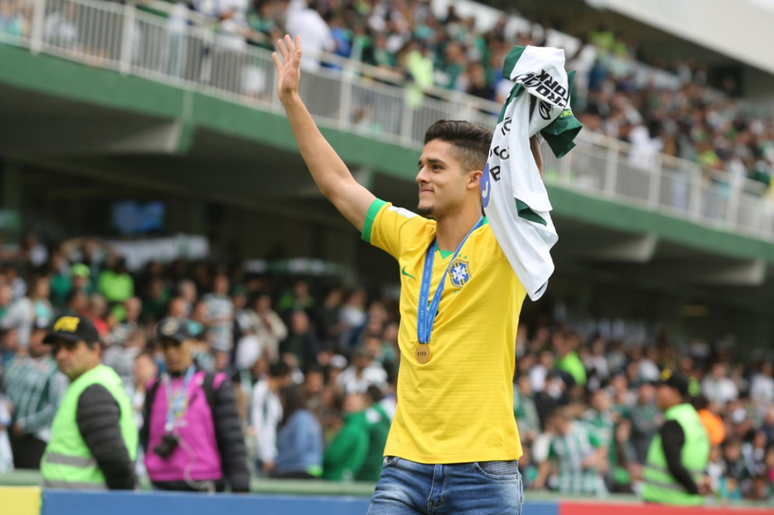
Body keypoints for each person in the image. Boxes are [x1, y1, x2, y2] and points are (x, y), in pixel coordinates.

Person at [273, 35, 541, 513]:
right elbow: (338, 185)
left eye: (436, 167)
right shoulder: (410, 234)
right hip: (405, 466)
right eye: (421, 165)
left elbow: (528, 185)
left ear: (475, 178)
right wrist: (291, 99)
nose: (421, 175)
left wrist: (530, 119)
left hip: (485, 471)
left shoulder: (505, 242)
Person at [141, 317, 249, 492]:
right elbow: (146, 436)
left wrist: (240, 485)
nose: (171, 352)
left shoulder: (213, 384)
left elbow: (231, 439)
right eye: (165, 346)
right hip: (160, 484)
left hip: (204, 484)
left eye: (177, 345)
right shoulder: (154, 387)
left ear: (192, 344)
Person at [40, 314, 137, 490]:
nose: (61, 355)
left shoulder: (93, 390)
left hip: (84, 503)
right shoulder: (91, 383)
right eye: (57, 348)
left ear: (95, 349)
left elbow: (115, 460)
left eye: (71, 347)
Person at [2, 318, 67, 469]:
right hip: (7, 434)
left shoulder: (55, 370)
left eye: (44, 335)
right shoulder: (14, 363)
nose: (39, 339)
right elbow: (3, 391)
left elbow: (55, 408)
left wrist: (25, 425)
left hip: (36, 439)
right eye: (36, 333)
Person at [642, 370, 712, 506]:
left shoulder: (674, 421)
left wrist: (695, 489)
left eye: (660, 388)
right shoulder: (693, 419)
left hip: (666, 502)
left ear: (674, 392)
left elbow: (675, 465)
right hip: (689, 503)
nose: (655, 393)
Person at [272, 385, 323, 479]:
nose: (280, 403)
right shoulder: (300, 417)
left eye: (281, 399)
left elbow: (298, 447)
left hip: (302, 470)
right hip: (297, 468)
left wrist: (276, 461)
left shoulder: (301, 418)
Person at [252, 360, 292, 475]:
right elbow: (257, 423)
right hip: (260, 454)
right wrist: (264, 455)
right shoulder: (260, 391)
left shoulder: (274, 394)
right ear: (283, 376)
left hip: (271, 453)